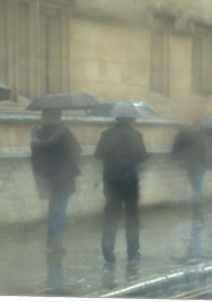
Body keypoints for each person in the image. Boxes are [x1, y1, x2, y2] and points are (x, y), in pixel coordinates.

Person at [94, 103, 148, 264]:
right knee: (132, 216)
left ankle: (107, 245)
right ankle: (132, 251)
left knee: (111, 214)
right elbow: (143, 155)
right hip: (130, 181)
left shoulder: (106, 135)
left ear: (116, 118)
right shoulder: (136, 135)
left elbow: (97, 155)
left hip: (111, 181)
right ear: (131, 119)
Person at [30, 108, 81, 254]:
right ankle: (56, 241)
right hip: (62, 177)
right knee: (59, 210)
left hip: (47, 179)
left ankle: (50, 238)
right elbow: (76, 150)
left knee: (52, 209)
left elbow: (35, 158)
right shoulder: (64, 133)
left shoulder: (37, 134)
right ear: (58, 117)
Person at [171, 109, 212, 203]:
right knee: (193, 180)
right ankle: (197, 198)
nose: (197, 118)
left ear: (202, 118)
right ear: (192, 117)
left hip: (201, 161)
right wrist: (174, 158)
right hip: (189, 161)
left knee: (198, 180)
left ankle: (198, 207)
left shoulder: (207, 130)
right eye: (195, 116)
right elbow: (177, 143)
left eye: (199, 116)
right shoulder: (185, 130)